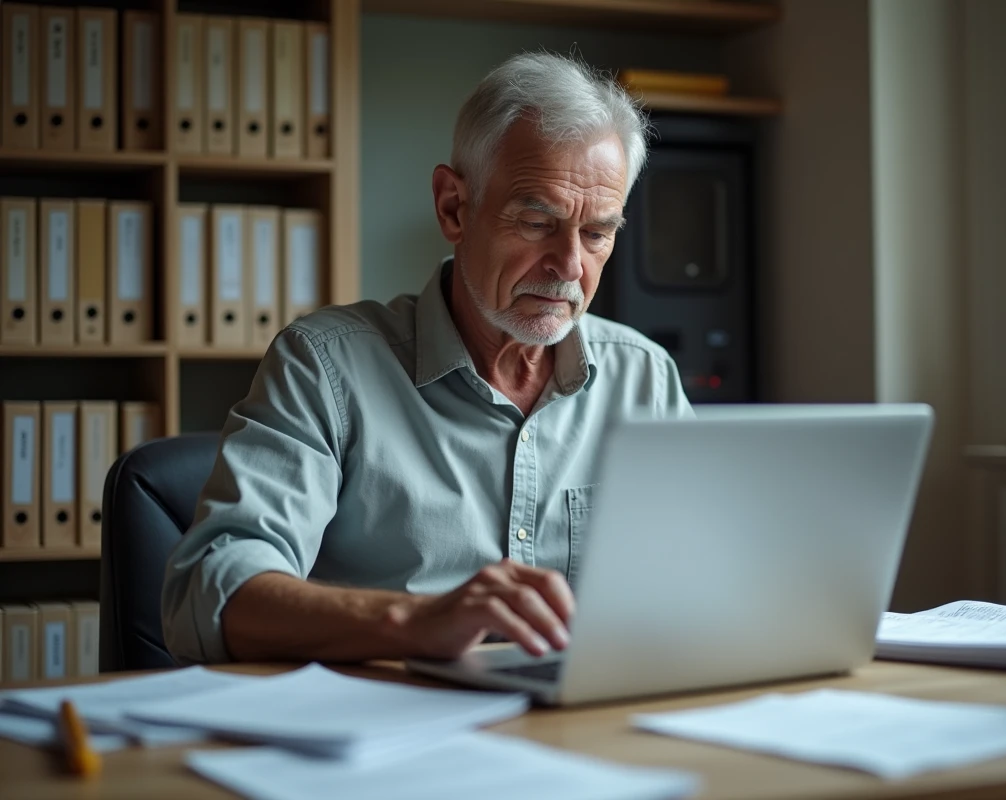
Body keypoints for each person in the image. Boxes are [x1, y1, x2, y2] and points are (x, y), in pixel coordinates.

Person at [160, 52, 692, 667]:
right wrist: (415, 621)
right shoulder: (327, 366)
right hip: (380, 738)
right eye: (536, 219)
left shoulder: (644, 377)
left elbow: (702, 580)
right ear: (453, 208)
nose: (570, 266)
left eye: (597, 233)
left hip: (584, 731)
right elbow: (206, 596)